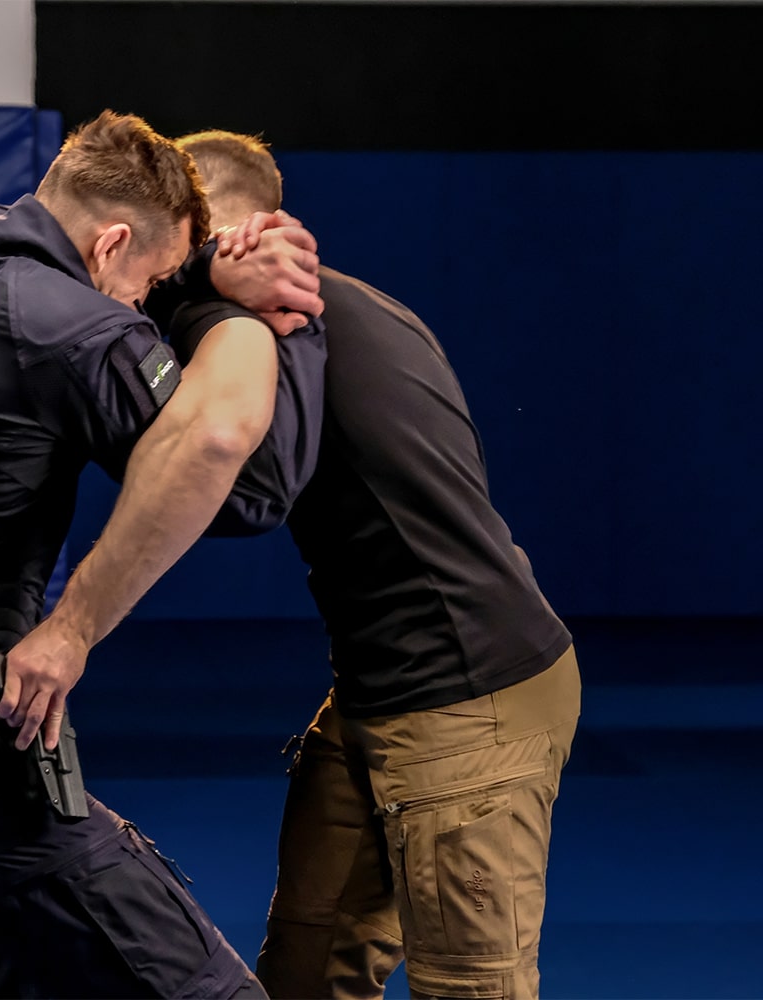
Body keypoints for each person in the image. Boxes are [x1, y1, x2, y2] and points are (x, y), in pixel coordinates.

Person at [0, 111, 328, 999]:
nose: (142, 307)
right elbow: (248, 486)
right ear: (111, 243)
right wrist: (258, 311)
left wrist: (185, 266)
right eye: (149, 283)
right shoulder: (66, 327)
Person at [165, 131, 581, 1000]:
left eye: (177, 236)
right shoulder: (353, 306)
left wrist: (197, 287)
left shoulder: (276, 320)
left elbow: (248, 497)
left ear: (224, 234)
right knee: (309, 963)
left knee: (471, 988)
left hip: (469, 698)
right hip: (379, 687)